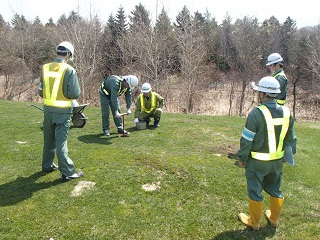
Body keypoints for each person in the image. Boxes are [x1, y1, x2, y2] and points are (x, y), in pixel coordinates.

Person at [229, 76, 296, 230]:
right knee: (275, 188)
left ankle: (254, 222)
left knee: (255, 190)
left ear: (262, 94)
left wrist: (242, 158)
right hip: (277, 162)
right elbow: (291, 139)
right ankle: (274, 219)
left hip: (257, 162)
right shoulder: (287, 112)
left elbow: (246, 140)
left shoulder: (256, 114)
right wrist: (287, 157)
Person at [38, 41, 84, 181]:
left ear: (57, 52)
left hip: (48, 110)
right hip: (62, 111)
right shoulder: (69, 70)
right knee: (61, 143)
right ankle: (68, 171)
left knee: (49, 140)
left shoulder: (45, 68)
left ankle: (47, 166)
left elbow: (41, 91)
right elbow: (75, 93)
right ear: (69, 54)